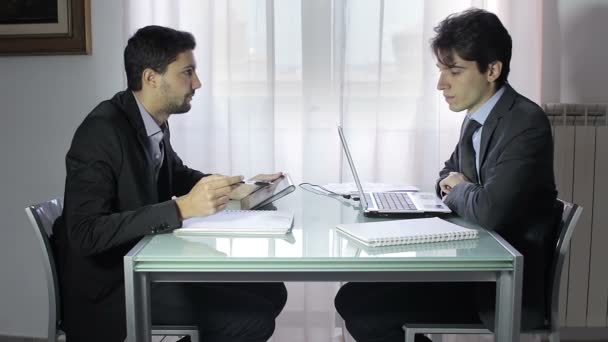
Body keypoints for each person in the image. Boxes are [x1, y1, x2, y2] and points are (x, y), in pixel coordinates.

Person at [334, 8, 562, 342]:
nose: (441, 83)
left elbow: (490, 211)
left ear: (492, 70)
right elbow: (446, 175)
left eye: (454, 71)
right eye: (442, 69)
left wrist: (460, 188)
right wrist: (461, 186)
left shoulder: (525, 123)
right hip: (476, 266)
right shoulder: (479, 116)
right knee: (354, 294)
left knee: (363, 307)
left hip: (504, 284)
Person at [52, 25, 287, 342]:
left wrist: (234, 187)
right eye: (187, 73)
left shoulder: (151, 121)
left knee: (273, 290)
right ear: (151, 78)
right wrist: (180, 208)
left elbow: (175, 173)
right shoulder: (101, 132)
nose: (197, 83)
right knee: (253, 319)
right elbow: (85, 233)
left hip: (147, 270)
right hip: (114, 290)